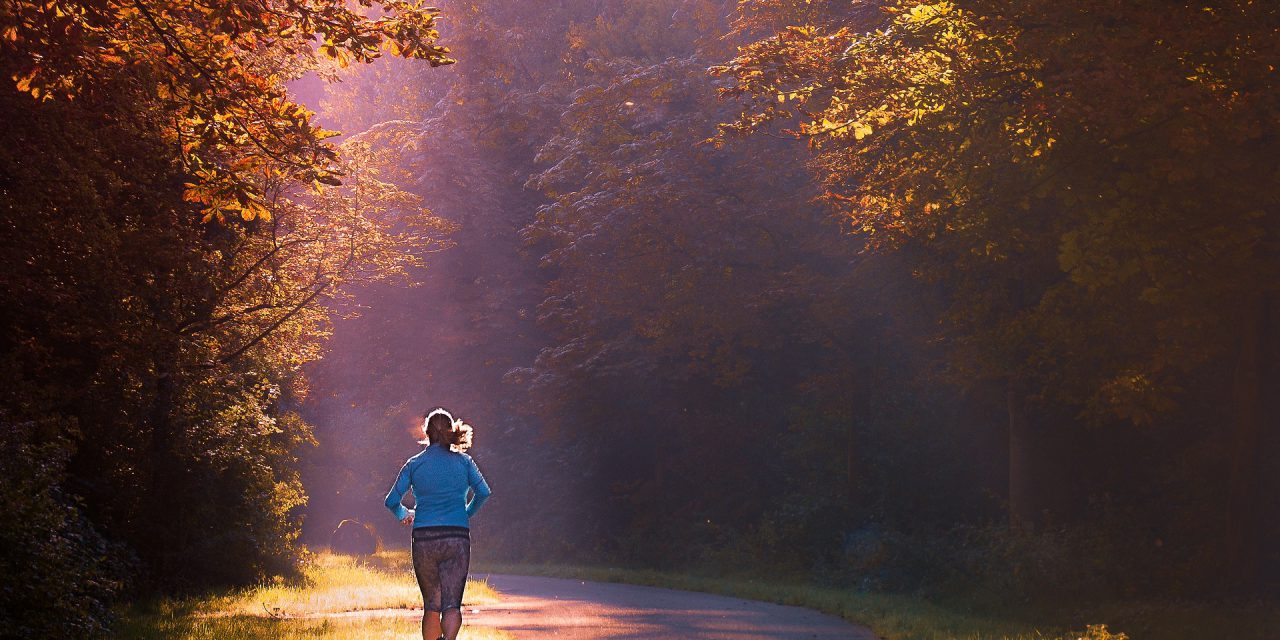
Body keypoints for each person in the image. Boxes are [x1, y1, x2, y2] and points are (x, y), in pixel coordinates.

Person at [385, 408, 492, 640]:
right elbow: (483, 492)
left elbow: (391, 501)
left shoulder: (414, 464)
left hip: (424, 538)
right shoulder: (464, 462)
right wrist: (466, 513)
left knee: (432, 605)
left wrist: (405, 513)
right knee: (452, 604)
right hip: (457, 536)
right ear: (451, 432)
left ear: (426, 432)